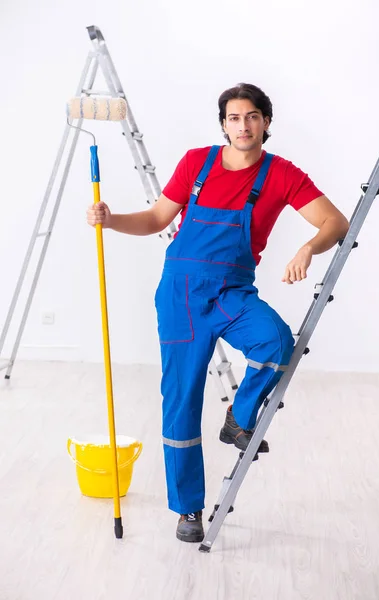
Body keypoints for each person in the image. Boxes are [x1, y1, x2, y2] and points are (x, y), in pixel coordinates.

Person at [86, 83, 349, 544]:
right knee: (182, 401)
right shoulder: (197, 163)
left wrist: (309, 248)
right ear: (223, 123)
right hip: (181, 296)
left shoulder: (282, 174)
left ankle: (239, 417)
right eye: (233, 118)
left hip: (231, 291)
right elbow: (155, 220)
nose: (242, 126)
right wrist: (110, 220)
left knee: (276, 342)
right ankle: (188, 509)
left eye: (251, 116)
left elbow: (335, 222)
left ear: (266, 121)